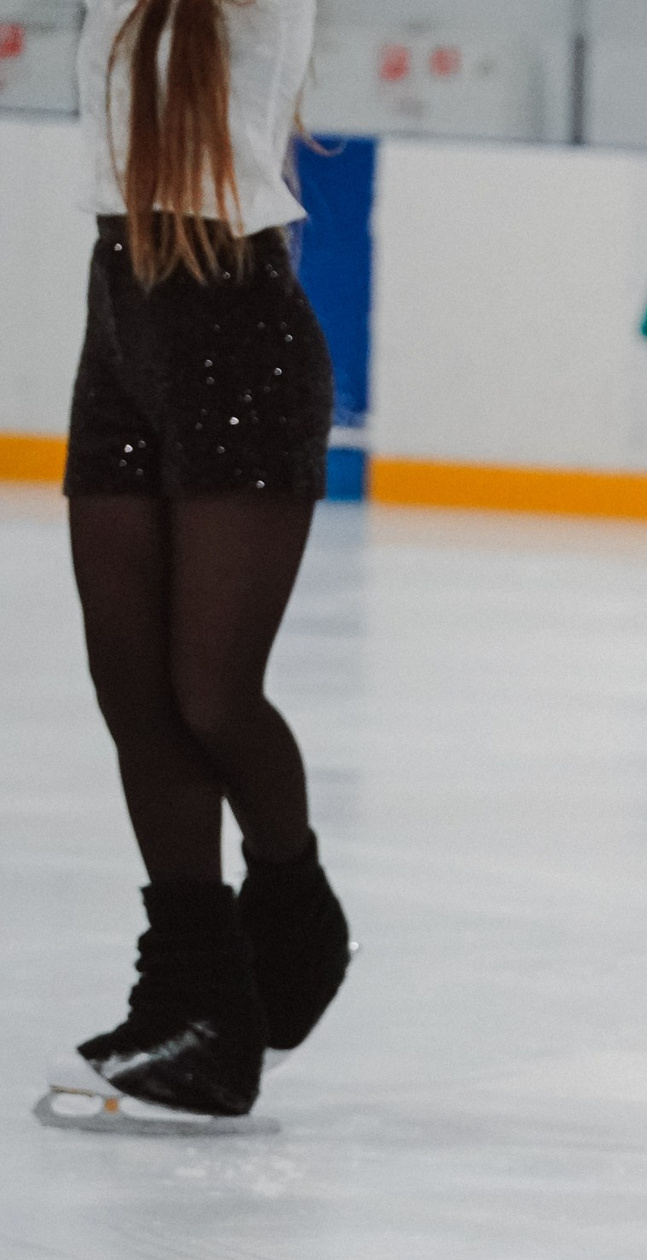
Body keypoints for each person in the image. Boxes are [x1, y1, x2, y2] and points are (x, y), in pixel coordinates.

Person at [34, 0, 351, 1138]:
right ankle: (193, 999)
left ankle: (293, 908)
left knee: (210, 691)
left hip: (235, 326)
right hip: (118, 317)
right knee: (134, 692)